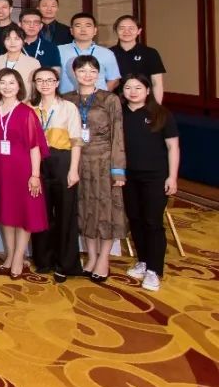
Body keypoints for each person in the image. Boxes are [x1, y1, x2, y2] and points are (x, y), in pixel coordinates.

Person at [63, 55, 126, 284]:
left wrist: (118, 169)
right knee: (85, 208)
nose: (87, 75)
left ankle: (104, 258)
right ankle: (91, 256)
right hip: (78, 160)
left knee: (106, 210)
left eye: (92, 71)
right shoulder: (67, 99)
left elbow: (118, 134)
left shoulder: (109, 99)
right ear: (74, 73)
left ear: (98, 74)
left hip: (104, 161)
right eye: (82, 70)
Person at [121, 74, 180, 292]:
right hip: (128, 176)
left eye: (138, 87)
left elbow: (173, 147)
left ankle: (155, 270)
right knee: (135, 219)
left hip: (156, 176)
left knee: (152, 221)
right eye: (128, 87)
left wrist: (172, 176)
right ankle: (143, 261)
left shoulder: (161, 114)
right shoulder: (119, 113)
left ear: (147, 90)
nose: (133, 91)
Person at [0, 68, 49, 280]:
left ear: (19, 86)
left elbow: (35, 147)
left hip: (23, 170)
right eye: (2, 82)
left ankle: (18, 257)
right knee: (6, 212)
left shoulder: (26, 112)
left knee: (24, 213)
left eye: (11, 83)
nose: (7, 87)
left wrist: (35, 175)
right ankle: (10, 254)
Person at [28, 67, 85, 282]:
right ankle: (44, 260)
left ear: (57, 83)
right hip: (37, 163)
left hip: (62, 161)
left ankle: (66, 263)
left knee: (65, 214)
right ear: (34, 84)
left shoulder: (68, 107)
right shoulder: (30, 108)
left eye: (49, 80)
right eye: (40, 80)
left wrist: (73, 170)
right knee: (41, 213)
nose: (45, 84)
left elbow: (76, 141)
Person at [58, 13, 122, 94]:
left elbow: (114, 79)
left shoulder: (107, 53)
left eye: (88, 26)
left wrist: (101, 96)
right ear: (71, 31)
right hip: (65, 99)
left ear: (95, 31)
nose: (83, 30)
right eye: (78, 26)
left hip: (97, 100)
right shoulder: (58, 50)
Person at [111, 15, 166, 103]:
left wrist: (157, 107)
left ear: (139, 31)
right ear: (116, 30)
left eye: (131, 28)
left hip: (143, 102)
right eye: (122, 28)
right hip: (115, 102)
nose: (126, 31)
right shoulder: (108, 53)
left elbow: (157, 83)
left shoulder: (150, 53)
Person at [0, 24, 41, 100]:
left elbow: (36, 89)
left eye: (17, 39)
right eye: (8, 39)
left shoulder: (34, 63)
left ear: (24, 41)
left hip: (24, 103)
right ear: (3, 41)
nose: (12, 42)